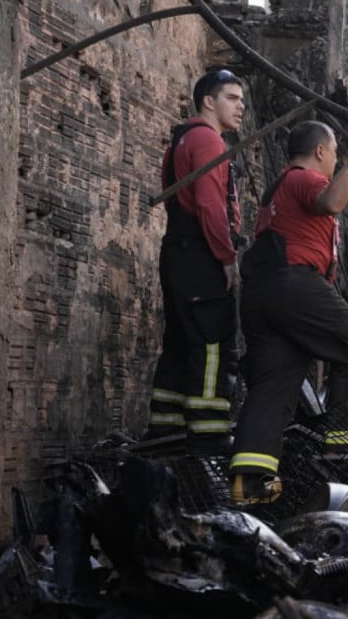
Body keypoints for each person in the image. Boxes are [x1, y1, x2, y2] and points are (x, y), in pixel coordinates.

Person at [229, 116, 348, 504]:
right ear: (320, 151)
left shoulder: (276, 191)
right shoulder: (302, 178)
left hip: (262, 294)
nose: (335, 162)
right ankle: (347, 444)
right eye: (334, 153)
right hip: (292, 283)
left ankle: (250, 483)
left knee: (275, 383)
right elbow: (333, 200)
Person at [145, 69, 246, 452]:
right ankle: (208, 436)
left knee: (179, 344)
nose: (241, 108)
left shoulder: (181, 140)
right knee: (211, 343)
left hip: (177, 253)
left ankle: (165, 434)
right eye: (233, 99)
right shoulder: (206, 140)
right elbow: (209, 204)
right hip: (200, 256)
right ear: (209, 101)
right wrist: (226, 256)